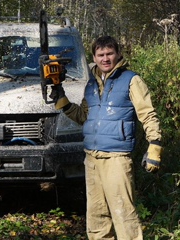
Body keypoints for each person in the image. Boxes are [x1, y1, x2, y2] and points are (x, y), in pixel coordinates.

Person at [51, 36, 162, 240]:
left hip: (117, 158)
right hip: (92, 158)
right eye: (100, 55)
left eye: (109, 54)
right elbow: (84, 117)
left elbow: (147, 114)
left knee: (124, 215)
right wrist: (62, 100)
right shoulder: (91, 85)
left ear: (118, 54)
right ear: (94, 57)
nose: (105, 59)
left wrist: (155, 144)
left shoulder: (131, 80)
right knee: (97, 217)